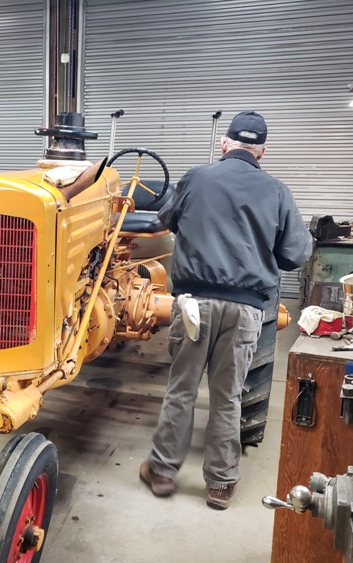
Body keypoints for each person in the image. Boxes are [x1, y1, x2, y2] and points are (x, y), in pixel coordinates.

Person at [139, 111, 312, 510]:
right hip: (246, 310)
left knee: (181, 390)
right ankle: (221, 485)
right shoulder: (277, 191)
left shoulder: (197, 177)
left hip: (194, 306)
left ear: (225, 144)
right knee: (228, 397)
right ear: (262, 151)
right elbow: (295, 254)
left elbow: (166, 221)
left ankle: (163, 472)